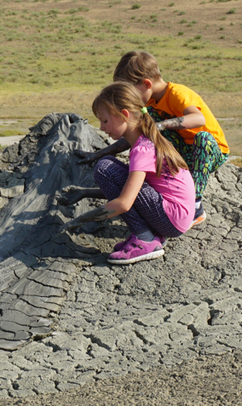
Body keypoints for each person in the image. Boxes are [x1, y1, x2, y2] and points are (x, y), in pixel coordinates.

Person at [110, 50, 228, 224]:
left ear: (146, 84)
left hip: (209, 152)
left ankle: (194, 206)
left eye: (131, 91)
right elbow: (134, 133)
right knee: (148, 119)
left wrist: (161, 126)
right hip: (185, 151)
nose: (130, 97)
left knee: (203, 139)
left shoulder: (178, 94)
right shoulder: (150, 104)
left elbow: (198, 119)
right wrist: (101, 153)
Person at [89, 81, 195, 265]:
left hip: (171, 220)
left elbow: (124, 202)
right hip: (177, 217)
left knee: (105, 169)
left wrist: (82, 220)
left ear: (124, 115)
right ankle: (152, 235)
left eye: (104, 120)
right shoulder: (148, 140)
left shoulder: (142, 149)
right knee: (110, 167)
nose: (101, 127)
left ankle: (145, 239)